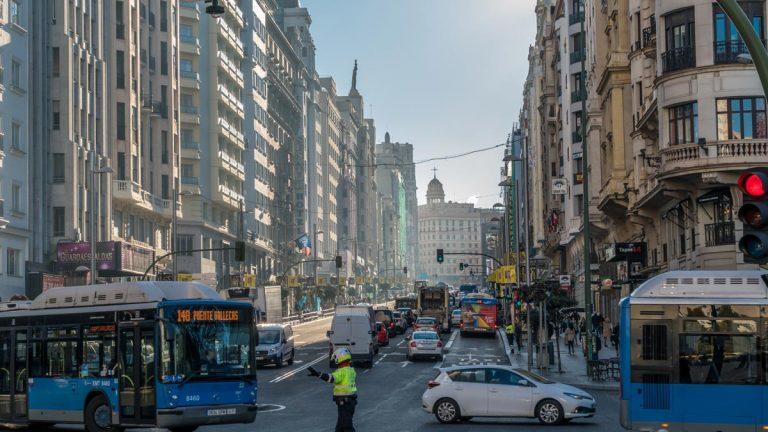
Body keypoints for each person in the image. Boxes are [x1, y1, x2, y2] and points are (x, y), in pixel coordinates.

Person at [308, 348, 358, 432]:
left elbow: (331, 378)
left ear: (340, 358)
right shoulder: (351, 370)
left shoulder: (342, 372)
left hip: (344, 403)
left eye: (335, 359)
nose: (335, 361)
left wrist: (318, 374)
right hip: (349, 402)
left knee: (347, 427)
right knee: (340, 427)